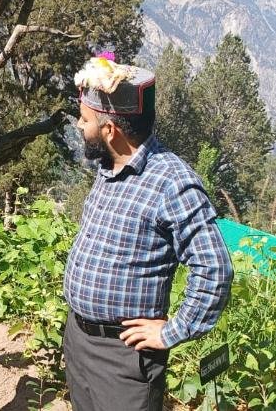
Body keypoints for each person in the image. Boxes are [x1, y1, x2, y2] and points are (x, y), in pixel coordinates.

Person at [63, 56, 233, 410]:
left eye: (86, 119)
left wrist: (171, 331)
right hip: (79, 341)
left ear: (111, 130)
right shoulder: (108, 166)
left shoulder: (173, 183)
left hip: (123, 357)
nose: (79, 125)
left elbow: (215, 268)